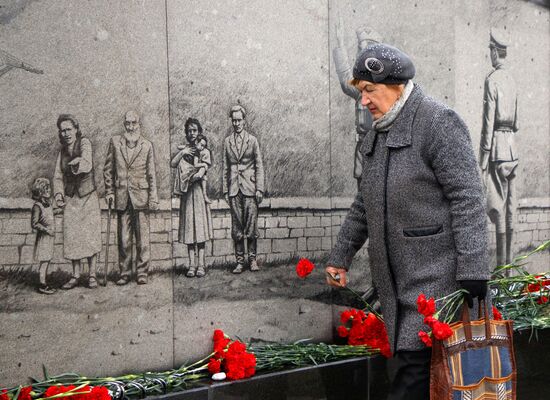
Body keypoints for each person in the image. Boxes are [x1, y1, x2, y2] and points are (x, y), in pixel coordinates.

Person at [325, 43, 490, 399]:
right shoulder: (378, 132)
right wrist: (341, 255)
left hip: (438, 286)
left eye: (369, 90)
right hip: (397, 289)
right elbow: (363, 202)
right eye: (360, 92)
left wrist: (474, 268)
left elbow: (468, 197)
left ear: (397, 85)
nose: (363, 101)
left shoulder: (437, 122)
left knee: (412, 385)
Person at [104, 110, 158, 285]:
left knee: (143, 238)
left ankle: (142, 272)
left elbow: (152, 174)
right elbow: (108, 170)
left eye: (134, 123)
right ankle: (125, 272)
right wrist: (110, 192)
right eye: (127, 123)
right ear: (124, 124)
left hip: (141, 197)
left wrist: (153, 198)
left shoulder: (147, 145)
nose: (130, 126)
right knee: (124, 238)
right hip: (121, 196)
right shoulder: (115, 143)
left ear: (139, 124)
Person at [479, 29, 519, 267]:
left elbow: (487, 123)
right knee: (511, 207)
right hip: (514, 148)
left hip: (497, 150)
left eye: (490, 50)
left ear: (495, 51)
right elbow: (518, 122)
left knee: (499, 208)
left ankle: (502, 268)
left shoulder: (492, 80)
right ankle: (510, 270)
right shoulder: (513, 80)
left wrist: (483, 160)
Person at [53, 114, 102, 290]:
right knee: (73, 236)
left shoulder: (84, 143)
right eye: (62, 130)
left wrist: (78, 162)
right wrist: (58, 196)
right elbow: (58, 176)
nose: (66, 133)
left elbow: (88, 163)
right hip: (71, 199)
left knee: (90, 235)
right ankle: (75, 275)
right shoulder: (62, 152)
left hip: (88, 196)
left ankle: (92, 275)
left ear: (75, 129)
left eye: (68, 129)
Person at [333, 17, 381, 190]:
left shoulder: (390, 86)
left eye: (367, 49)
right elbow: (345, 78)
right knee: (363, 202)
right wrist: (340, 43)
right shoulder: (361, 86)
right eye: (361, 49)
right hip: (363, 148)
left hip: (382, 150)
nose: (363, 53)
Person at [222, 105, 265, 274]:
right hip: (234, 189)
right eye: (234, 120)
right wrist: (225, 190)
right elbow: (226, 168)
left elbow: (259, 166)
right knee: (237, 227)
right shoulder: (227, 142)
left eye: (239, 120)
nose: (236, 123)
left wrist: (259, 189)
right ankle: (239, 261)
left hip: (250, 189)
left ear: (244, 121)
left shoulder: (252, 140)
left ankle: (252, 260)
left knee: (252, 227)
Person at [171, 118, 213, 278]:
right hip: (186, 194)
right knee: (189, 231)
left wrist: (191, 174)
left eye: (194, 130)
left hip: (197, 193)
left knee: (200, 231)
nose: (191, 133)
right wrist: (183, 153)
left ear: (199, 131)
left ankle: (201, 265)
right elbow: (173, 164)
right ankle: (191, 265)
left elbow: (202, 172)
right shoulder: (186, 150)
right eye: (189, 131)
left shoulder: (204, 150)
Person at [30, 177, 57, 294]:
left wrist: (60, 210)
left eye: (49, 187)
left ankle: (43, 281)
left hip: (49, 238)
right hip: (43, 238)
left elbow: (50, 214)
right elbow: (34, 223)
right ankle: (42, 284)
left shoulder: (48, 204)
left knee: (47, 260)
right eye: (46, 188)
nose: (49, 190)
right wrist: (46, 230)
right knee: (44, 261)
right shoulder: (37, 206)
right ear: (40, 192)